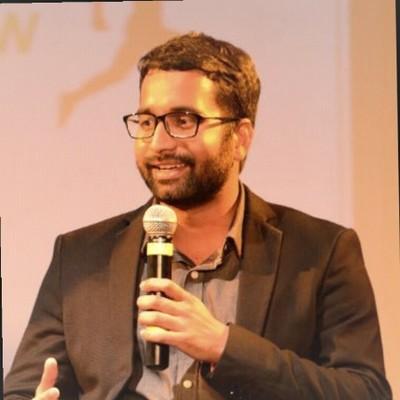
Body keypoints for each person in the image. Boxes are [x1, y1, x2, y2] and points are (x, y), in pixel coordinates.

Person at [4, 32, 392, 400]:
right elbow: (25, 389)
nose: (159, 143)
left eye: (183, 121)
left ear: (240, 137)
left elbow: (365, 391)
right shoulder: (80, 257)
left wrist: (225, 347)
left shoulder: (320, 252)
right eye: (147, 122)